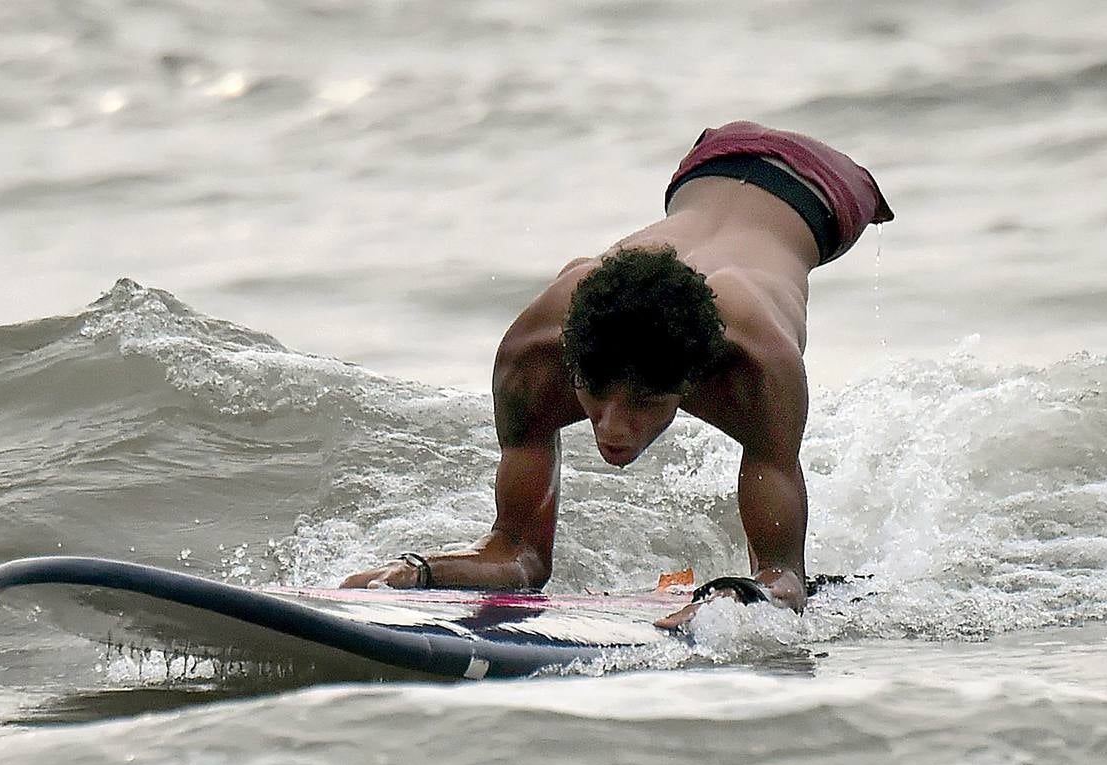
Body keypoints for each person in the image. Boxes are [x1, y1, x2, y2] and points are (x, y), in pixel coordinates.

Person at [341, 121, 892, 626]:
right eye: (594, 393)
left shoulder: (759, 361)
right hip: (707, 163)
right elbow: (519, 556)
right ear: (571, 361)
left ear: (692, 379)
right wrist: (418, 572)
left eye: (647, 402)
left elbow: (786, 578)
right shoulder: (533, 354)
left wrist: (729, 598)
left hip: (825, 191)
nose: (612, 428)